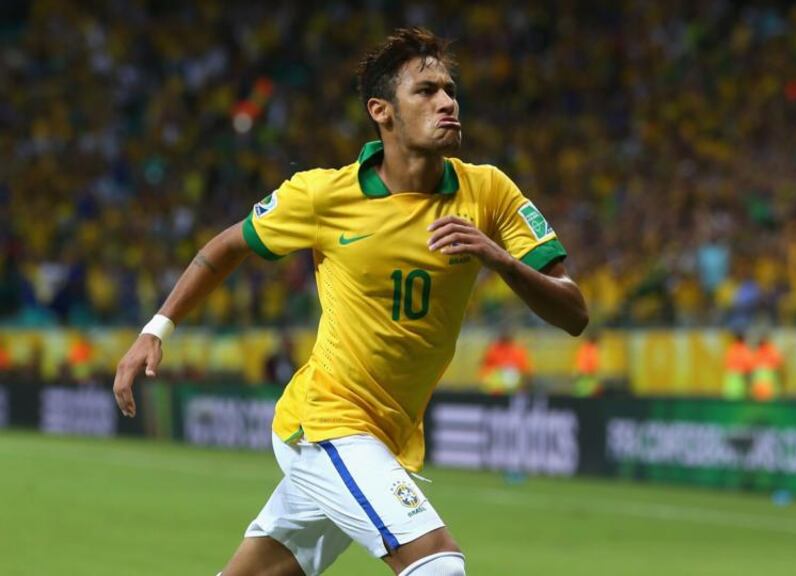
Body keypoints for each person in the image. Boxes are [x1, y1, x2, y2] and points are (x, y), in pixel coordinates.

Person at [112, 28, 588, 576]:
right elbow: (222, 249)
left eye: (450, 90)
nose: (448, 102)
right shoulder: (323, 195)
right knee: (439, 566)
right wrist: (157, 328)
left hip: (386, 435)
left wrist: (500, 260)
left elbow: (573, 312)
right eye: (426, 91)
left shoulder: (489, 191)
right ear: (381, 112)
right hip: (327, 422)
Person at [479, 328, 531, 395]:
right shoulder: (493, 349)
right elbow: (484, 369)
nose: (506, 336)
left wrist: (524, 386)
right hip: (495, 385)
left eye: (508, 334)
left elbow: (527, 371)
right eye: (504, 334)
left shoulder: (519, 350)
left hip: (514, 383)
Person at [722, 331, 754, 400]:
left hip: (730, 377)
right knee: (739, 399)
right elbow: (749, 364)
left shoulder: (731, 349)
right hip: (740, 377)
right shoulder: (744, 350)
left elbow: (726, 362)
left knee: (730, 398)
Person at [750, 335, 784, 402]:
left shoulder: (759, 351)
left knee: (763, 394)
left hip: (762, 374)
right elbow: (778, 361)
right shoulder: (771, 350)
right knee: (766, 393)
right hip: (766, 374)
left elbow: (752, 363)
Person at [572, 332, 602, 397]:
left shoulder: (591, 348)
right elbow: (585, 361)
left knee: (587, 392)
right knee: (583, 392)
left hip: (588, 374)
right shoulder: (588, 348)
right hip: (586, 374)